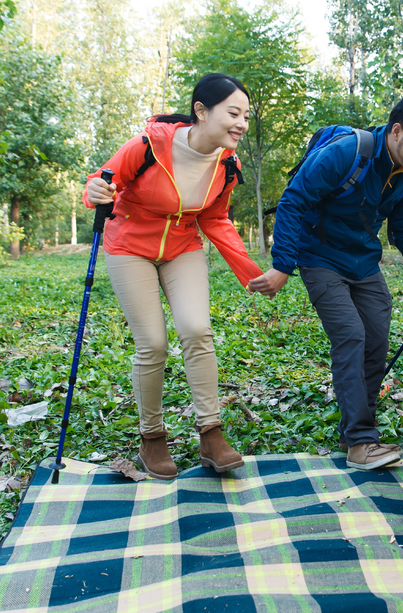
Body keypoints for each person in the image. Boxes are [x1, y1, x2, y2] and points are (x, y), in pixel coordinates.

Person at [249, 92, 403, 471]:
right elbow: (293, 200)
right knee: (350, 335)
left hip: (364, 263)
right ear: (396, 132)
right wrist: (282, 266)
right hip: (319, 257)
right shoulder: (347, 152)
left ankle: (354, 431)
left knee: (376, 337)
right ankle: (361, 442)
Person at [84, 73, 263, 480]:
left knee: (198, 330)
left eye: (246, 116)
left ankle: (211, 434)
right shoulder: (150, 145)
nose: (242, 124)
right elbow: (103, 181)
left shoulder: (227, 164)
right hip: (129, 245)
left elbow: (215, 218)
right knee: (154, 344)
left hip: (182, 246)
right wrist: (95, 191)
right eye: (234, 113)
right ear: (201, 111)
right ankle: (152, 439)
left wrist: (251, 273)